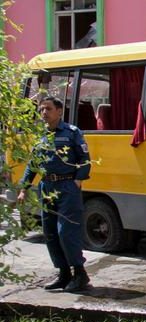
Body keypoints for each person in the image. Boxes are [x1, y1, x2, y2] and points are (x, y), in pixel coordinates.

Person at [17, 96, 91, 292]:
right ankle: (64, 273)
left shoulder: (72, 132)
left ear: (59, 111)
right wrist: (24, 188)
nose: (44, 113)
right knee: (50, 233)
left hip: (67, 187)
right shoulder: (41, 135)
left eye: (48, 109)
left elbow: (85, 158)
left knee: (66, 232)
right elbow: (32, 165)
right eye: (41, 109)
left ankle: (80, 273)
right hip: (46, 187)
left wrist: (78, 179)